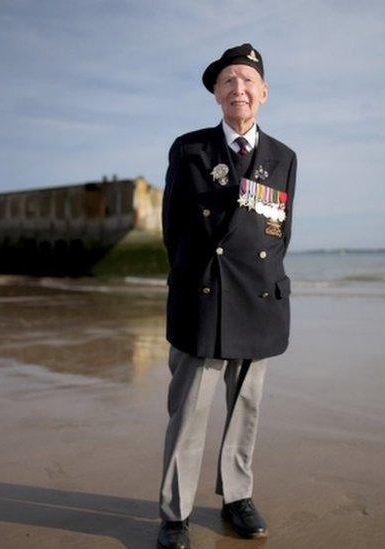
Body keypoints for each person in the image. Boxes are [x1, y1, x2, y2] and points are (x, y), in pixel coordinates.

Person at [156, 43, 297, 549]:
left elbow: (279, 232)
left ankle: (237, 498)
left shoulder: (284, 157)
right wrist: (190, 281)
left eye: (247, 81)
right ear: (216, 93)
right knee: (189, 409)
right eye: (228, 81)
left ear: (263, 93)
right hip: (203, 294)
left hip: (258, 298)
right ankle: (175, 514)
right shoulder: (189, 149)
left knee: (246, 408)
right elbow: (173, 227)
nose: (239, 89)